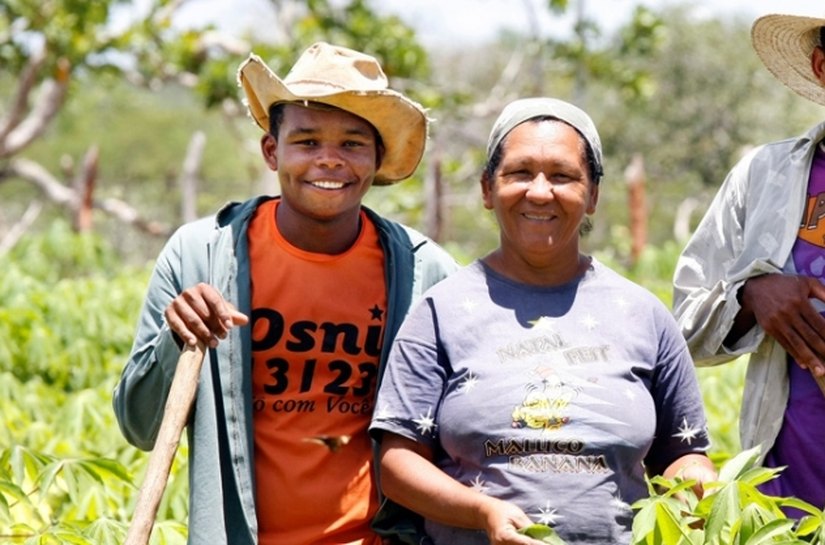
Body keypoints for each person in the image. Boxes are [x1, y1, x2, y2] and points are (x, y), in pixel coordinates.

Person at [112, 42, 457, 545]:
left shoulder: (425, 271)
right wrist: (175, 337)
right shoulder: (200, 256)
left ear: (377, 160)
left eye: (353, 144)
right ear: (272, 151)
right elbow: (140, 427)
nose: (330, 161)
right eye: (308, 141)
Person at [369, 97, 716, 545]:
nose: (539, 190)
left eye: (562, 175)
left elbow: (682, 453)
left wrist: (705, 492)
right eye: (518, 172)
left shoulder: (643, 314)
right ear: (486, 189)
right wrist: (481, 512)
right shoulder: (441, 311)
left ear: (592, 195)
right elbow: (397, 463)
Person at [673, 12, 825, 513]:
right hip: (784, 504)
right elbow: (686, 327)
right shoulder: (766, 175)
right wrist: (751, 296)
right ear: (822, 68)